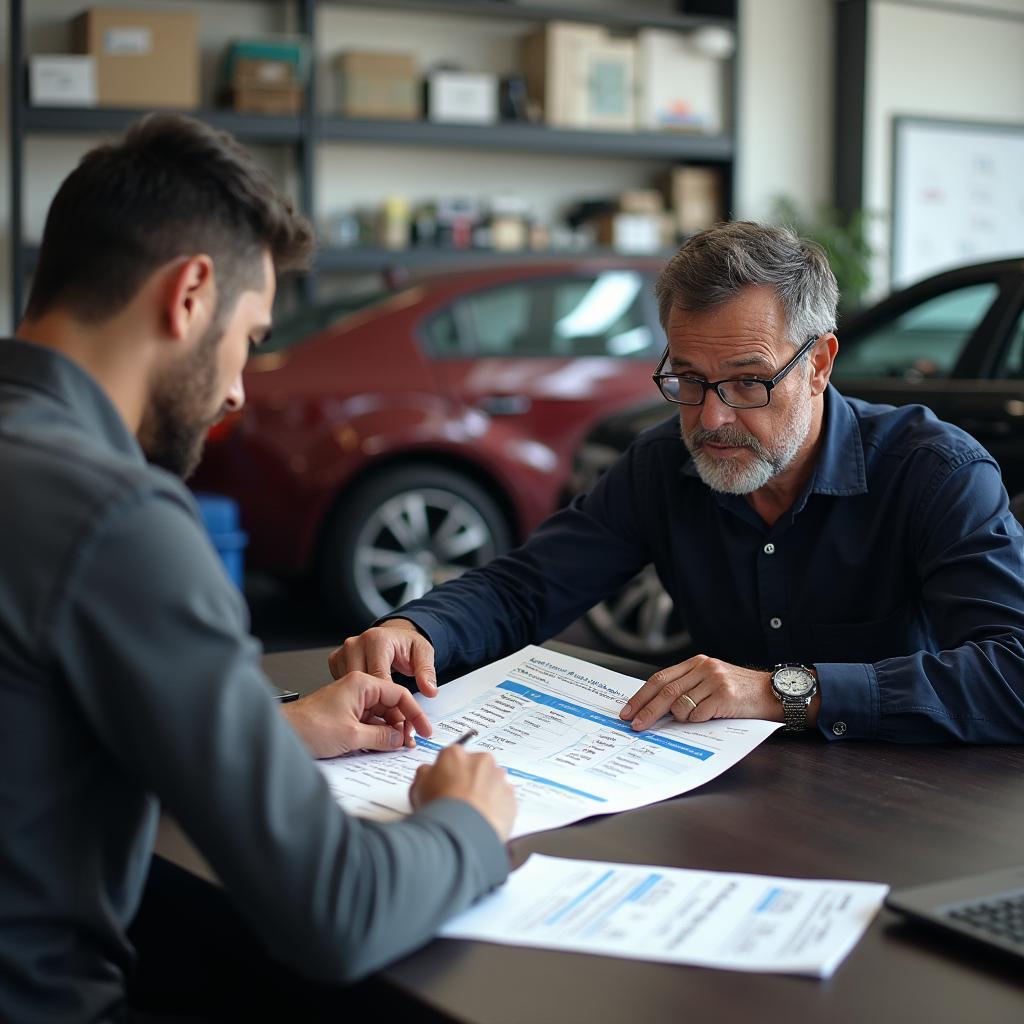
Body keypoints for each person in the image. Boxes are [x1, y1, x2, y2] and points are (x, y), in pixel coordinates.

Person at [0, 113, 515, 1024]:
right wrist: (466, 822)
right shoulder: (117, 517)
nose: (239, 386)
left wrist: (272, 727)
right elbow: (338, 910)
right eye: (251, 336)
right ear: (190, 293)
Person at [333, 221, 1024, 745]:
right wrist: (415, 625)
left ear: (819, 365)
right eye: (688, 380)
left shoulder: (936, 471)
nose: (712, 417)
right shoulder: (663, 464)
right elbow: (527, 588)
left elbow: (1013, 673)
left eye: (749, 382)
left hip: (908, 801)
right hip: (726, 784)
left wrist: (786, 692)